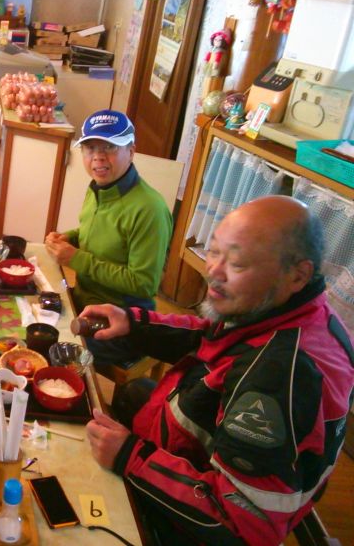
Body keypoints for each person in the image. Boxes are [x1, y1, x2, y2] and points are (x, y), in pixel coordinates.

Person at [83, 196, 354, 545]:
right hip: (191, 453)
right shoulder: (294, 313)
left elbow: (241, 525)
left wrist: (130, 457)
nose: (213, 270)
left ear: (297, 275)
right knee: (134, 394)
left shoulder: (278, 375)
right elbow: (212, 336)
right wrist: (133, 323)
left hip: (188, 526)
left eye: (236, 264)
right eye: (214, 252)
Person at [44, 109, 172, 364]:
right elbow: (98, 233)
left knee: (49, 349)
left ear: (131, 151)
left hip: (123, 323)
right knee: (32, 315)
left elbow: (144, 284)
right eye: (90, 148)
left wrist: (76, 259)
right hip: (85, 300)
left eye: (109, 147)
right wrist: (70, 238)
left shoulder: (150, 209)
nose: (98, 157)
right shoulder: (98, 188)